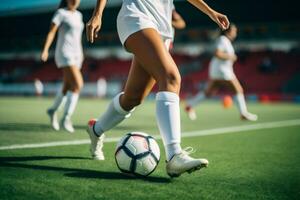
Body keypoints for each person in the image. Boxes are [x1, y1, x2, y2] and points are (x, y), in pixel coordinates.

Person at [86, 0, 229, 177]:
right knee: (170, 77)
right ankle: (174, 155)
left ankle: (96, 129)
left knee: (133, 98)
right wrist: (97, 14)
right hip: (136, 17)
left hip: (162, 30)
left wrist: (210, 11)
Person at [185, 24, 258, 121]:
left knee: (208, 93)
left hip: (218, 69)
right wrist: (231, 57)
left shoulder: (225, 41)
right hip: (222, 70)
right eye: (234, 30)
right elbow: (217, 53)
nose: (235, 33)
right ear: (228, 31)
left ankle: (189, 106)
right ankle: (243, 113)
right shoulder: (223, 39)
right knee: (238, 89)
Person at [41, 0, 84, 133]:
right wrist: (46, 49)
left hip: (78, 55)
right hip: (65, 53)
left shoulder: (79, 15)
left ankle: (52, 110)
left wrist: (81, 54)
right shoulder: (60, 13)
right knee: (78, 84)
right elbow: (51, 32)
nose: (75, 1)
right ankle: (66, 118)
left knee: (67, 87)